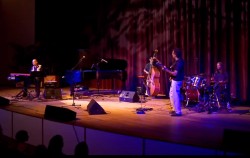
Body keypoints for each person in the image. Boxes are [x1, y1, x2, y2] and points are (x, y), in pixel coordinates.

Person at [162, 48, 185, 116]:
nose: (172, 54)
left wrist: (166, 70)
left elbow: (175, 73)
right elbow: (173, 72)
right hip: (174, 80)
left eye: (172, 53)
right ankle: (174, 110)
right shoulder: (177, 62)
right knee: (171, 95)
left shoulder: (180, 62)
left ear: (175, 54)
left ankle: (178, 111)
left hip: (177, 80)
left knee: (176, 95)